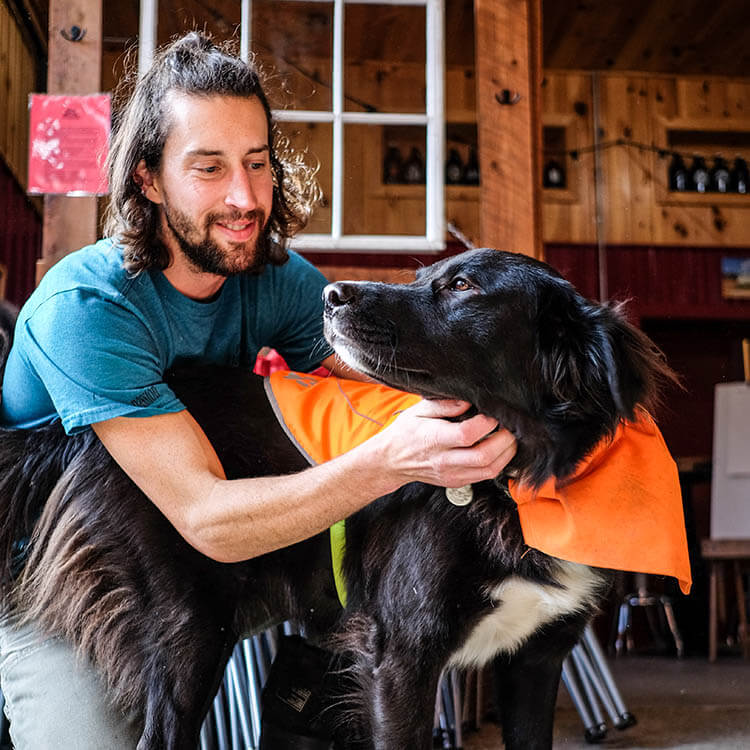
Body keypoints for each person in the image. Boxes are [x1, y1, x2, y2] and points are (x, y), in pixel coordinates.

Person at [0, 32, 516, 749]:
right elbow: (204, 514)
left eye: (257, 163)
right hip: (53, 576)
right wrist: (395, 459)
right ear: (147, 178)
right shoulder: (87, 309)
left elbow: (378, 380)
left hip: (203, 559)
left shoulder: (271, 278)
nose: (245, 198)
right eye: (208, 168)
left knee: (361, 599)